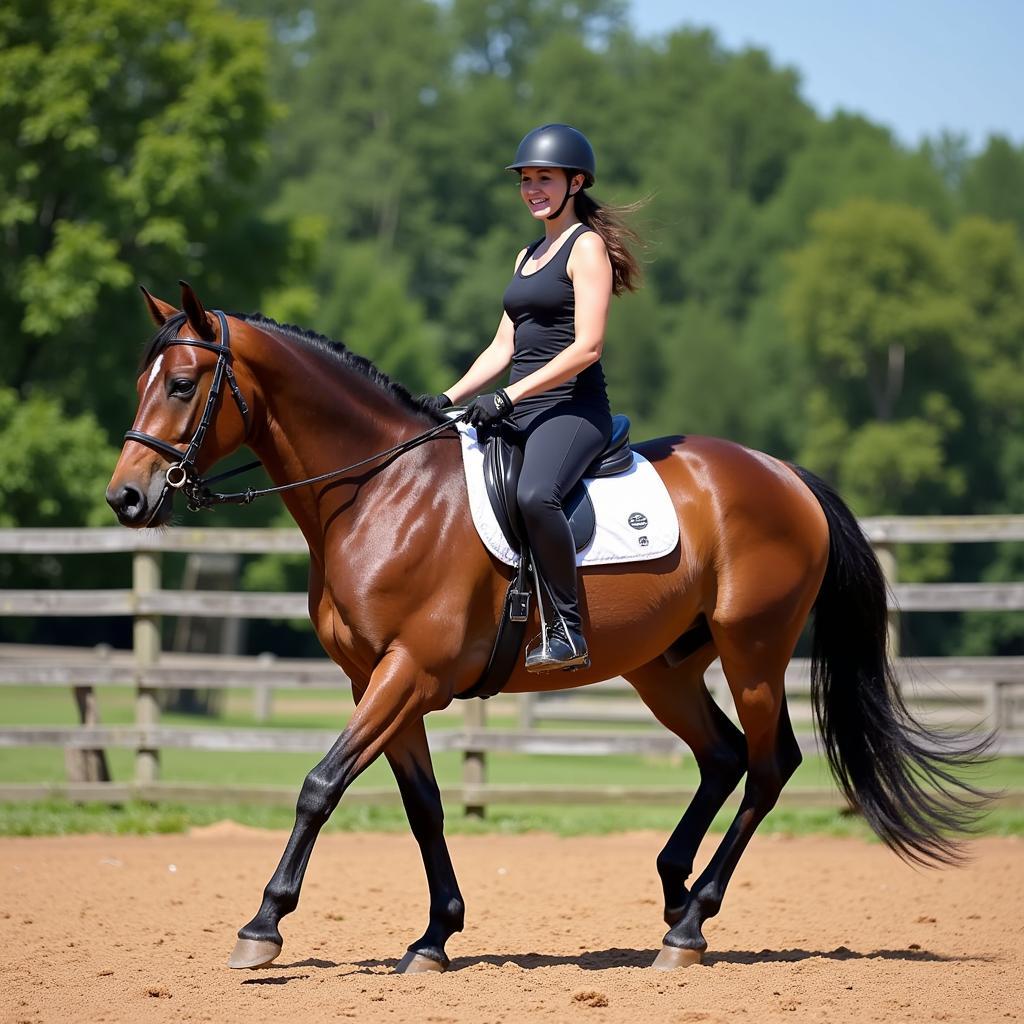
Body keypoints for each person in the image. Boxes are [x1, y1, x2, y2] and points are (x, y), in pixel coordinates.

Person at [425, 124, 642, 671]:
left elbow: (587, 347)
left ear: (575, 183)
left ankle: (567, 629)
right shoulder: (527, 254)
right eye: (525, 180)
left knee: (535, 494)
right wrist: (445, 397)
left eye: (544, 178)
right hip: (521, 407)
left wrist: (509, 396)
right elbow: (503, 344)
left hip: (573, 409)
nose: (532, 189)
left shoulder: (585, 248)